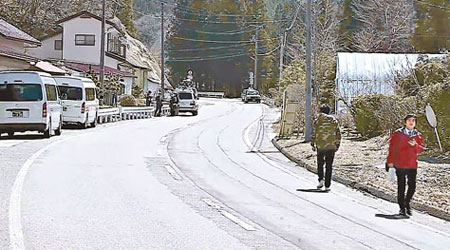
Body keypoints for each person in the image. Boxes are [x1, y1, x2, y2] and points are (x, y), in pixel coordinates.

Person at [386, 114, 424, 216]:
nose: (411, 122)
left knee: (412, 186)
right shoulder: (398, 134)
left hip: (412, 165)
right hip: (400, 164)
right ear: (405, 122)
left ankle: (407, 202)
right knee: (401, 187)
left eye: (413, 121)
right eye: (409, 120)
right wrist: (390, 161)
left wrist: (415, 145)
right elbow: (392, 149)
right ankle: (402, 208)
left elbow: (421, 149)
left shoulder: (418, 135)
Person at [311, 104, 341, 191]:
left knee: (320, 163)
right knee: (329, 165)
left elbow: (314, 133)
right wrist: (337, 145)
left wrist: (312, 144)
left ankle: (321, 180)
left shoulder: (317, 121)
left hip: (320, 145)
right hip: (331, 145)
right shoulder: (333, 120)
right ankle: (327, 185)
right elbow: (338, 134)